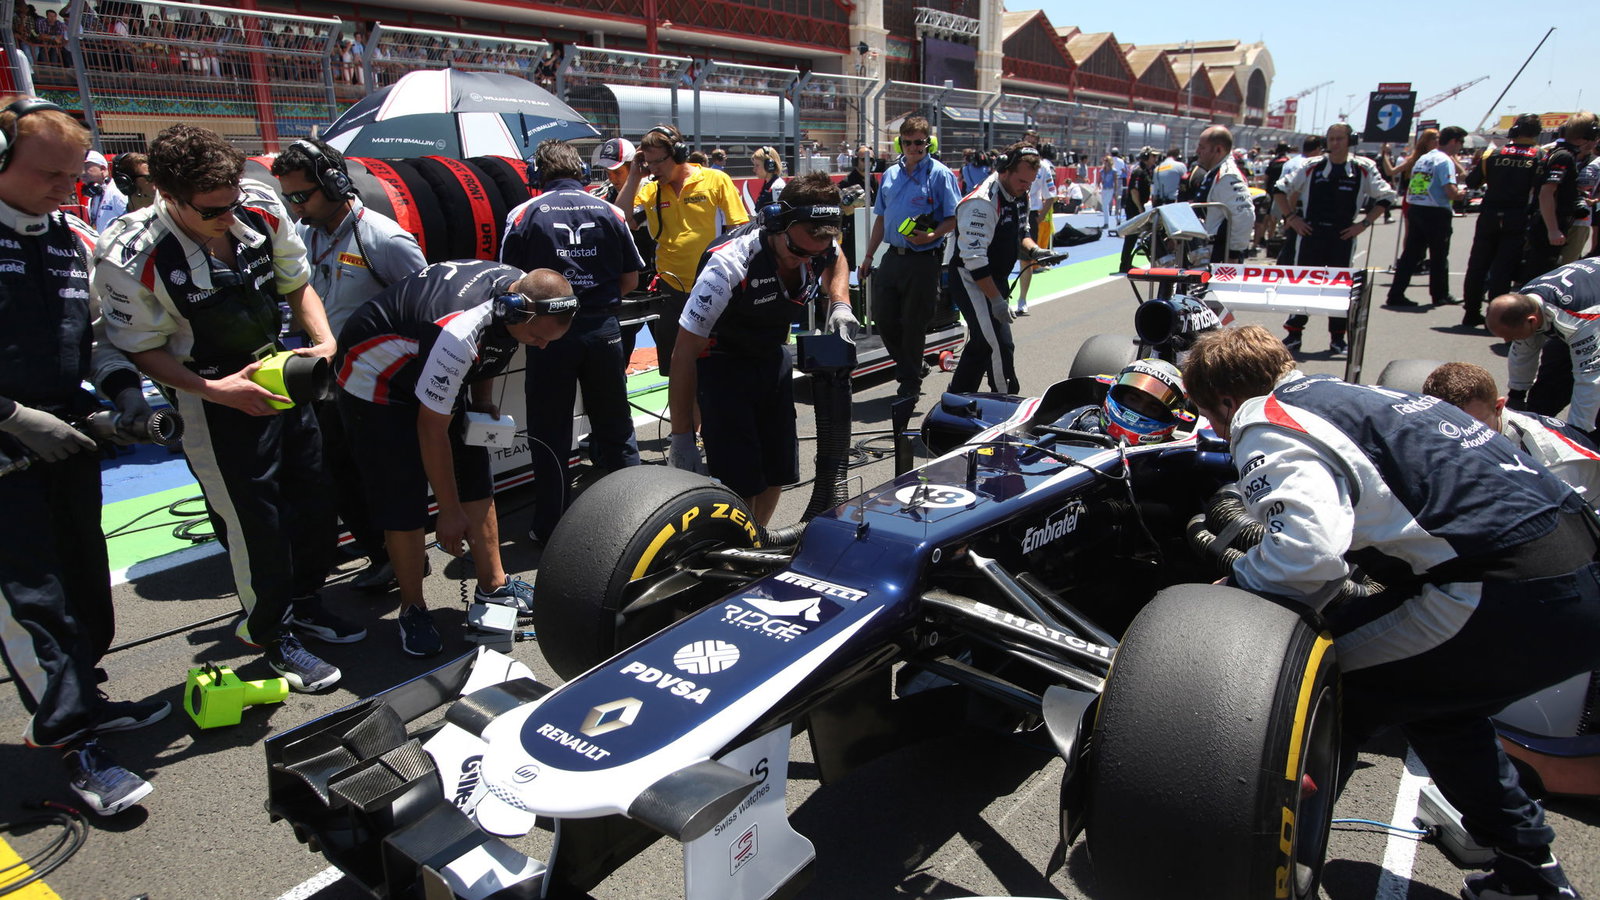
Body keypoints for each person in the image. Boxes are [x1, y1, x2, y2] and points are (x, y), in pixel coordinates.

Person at [1183, 324, 1600, 900]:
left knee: (1313, 686)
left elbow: (1307, 555)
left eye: (1214, 418)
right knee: (1441, 706)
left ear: (1226, 401)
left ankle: (1247, 869)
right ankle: (1531, 872)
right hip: (1579, 570)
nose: (1221, 430)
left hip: (1504, 587)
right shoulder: (1365, 396)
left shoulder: (1266, 415)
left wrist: (1236, 585)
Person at [94, 123, 359, 694]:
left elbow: (298, 284)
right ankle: (270, 634)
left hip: (280, 373)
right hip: (207, 396)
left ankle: (308, 602)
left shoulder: (259, 205)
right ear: (168, 195)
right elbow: (139, 349)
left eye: (233, 199)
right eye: (212, 210)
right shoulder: (129, 251)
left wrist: (323, 339)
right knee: (253, 522)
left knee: (314, 497)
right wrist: (215, 392)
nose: (228, 215)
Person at [0, 96, 167, 817]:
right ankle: (73, 749)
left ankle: (86, 701)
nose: (67, 189)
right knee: (34, 604)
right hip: (5, 456)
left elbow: (99, 334)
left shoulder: (71, 234)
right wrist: (10, 416)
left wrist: (124, 391)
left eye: (74, 174)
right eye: (48, 173)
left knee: (83, 586)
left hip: (66, 441)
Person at [336, 262, 572, 655]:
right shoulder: (459, 331)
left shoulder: (519, 299)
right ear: (516, 310)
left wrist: (481, 403)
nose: (541, 345)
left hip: (429, 357)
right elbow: (432, 430)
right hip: (376, 377)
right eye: (536, 337)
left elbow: (492, 349)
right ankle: (412, 607)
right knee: (404, 496)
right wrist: (447, 510)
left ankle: (494, 585)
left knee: (475, 466)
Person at [271, 137, 427, 592]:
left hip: (379, 385)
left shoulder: (383, 239)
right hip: (328, 380)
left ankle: (402, 562)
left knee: (379, 476)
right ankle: (378, 548)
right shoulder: (304, 236)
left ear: (335, 183)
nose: (295, 206)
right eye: (289, 198)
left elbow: (425, 312)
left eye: (302, 195)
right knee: (336, 472)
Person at [666, 173, 854, 526]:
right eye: (796, 250)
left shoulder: (816, 243)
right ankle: (737, 547)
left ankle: (758, 538)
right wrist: (682, 436)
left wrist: (840, 301)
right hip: (723, 365)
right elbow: (683, 352)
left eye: (814, 253)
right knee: (742, 479)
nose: (804, 259)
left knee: (777, 470)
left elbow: (836, 258)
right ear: (775, 224)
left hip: (772, 355)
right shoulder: (728, 265)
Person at [501, 139, 644, 544]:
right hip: (602, 331)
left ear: (538, 174)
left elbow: (509, 280)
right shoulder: (611, 210)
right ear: (580, 172)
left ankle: (550, 527)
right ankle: (635, 521)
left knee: (551, 432)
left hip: (546, 334)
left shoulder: (523, 213)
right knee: (616, 428)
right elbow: (631, 278)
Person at [617, 124, 747, 379]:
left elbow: (740, 230)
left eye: (658, 162)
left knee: (716, 369)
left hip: (713, 287)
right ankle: (684, 420)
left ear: (678, 154)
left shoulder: (715, 180)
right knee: (676, 371)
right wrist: (634, 176)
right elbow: (620, 220)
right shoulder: (651, 190)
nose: (652, 169)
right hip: (670, 290)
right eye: (648, 163)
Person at [857, 116, 959, 400]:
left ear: (929, 143)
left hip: (924, 258)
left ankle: (909, 382)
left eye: (920, 142)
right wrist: (867, 256)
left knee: (914, 323)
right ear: (899, 142)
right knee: (883, 317)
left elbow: (954, 217)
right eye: (908, 142)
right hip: (893, 256)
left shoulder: (940, 174)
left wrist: (931, 236)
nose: (914, 147)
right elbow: (881, 219)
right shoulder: (890, 174)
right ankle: (912, 366)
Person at [1275, 122, 1398, 354]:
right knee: (1303, 282)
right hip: (1310, 234)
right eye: (1331, 139)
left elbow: (1386, 196)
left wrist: (1363, 224)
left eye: (1339, 139)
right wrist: (1292, 218)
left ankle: (1337, 338)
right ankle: (1294, 333)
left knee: (1339, 287)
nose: (1334, 143)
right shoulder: (1311, 166)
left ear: (1350, 141)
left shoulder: (1363, 168)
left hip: (1342, 236)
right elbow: (1280, 189)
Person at [948, 142, 1054, 396]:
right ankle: (1005, 399)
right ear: (1004, 170)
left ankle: (957, 398)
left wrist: (1035, 251)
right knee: (995, 344)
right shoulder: (982, 203)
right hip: (970, 278)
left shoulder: (1020, 194)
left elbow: (1021, 233)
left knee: (989, 343)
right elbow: (973, 260)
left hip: (994, 277)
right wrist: (996, 300)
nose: (1026, 187)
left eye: (1030, 182)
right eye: (1021, 181)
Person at [1424, 361, 1600, 503]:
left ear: (1498, 407)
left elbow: (1562, 525)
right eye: (1448, 427)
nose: (1460, 436)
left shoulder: (1549, 458)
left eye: (1472, 425)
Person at [1487, 259, 1600, 435]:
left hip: (1589, 316)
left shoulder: (1579, 320)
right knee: (1545, 391)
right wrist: (1517, 393)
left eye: (1509, 335)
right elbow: (1524, 349)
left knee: (1593, 418)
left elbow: (1590, 379)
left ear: (1532, 321)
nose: (1505, 340)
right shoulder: (1526, 300)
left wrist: (1579, 432)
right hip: (1578, 306)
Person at [1461, 113, 1547, 329]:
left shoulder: (1492, 153)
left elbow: (1472, 182)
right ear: (1537, 133)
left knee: (1477, 264)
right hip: (1517, 216)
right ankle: (1497, 318)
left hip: (1489, 214)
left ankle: (1471, 313)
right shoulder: (1540, 155)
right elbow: (1540, 190)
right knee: (1503, 268)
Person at [1386, 125, 1467, 308]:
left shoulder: (1424, 158)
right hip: (1436, 210)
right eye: (1460, 143)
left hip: (1417, 207)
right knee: (1439, 256)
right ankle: (1440, 295)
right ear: (1453, 141)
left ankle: (1396, 293)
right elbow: (1450, 190)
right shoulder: (1445, 161)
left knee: (1410, 255)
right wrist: (1460, 194)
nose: (1460, 147)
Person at [1521, 112, 1599, 284]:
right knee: (1544, 278)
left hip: (1547, 223)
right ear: (1588, 135)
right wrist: (1553, 229)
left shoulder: (1556, 152)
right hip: (1548, 225)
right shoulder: (1564, 156)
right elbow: (1546, 192)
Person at [1058, 358, 1189, 445]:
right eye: (1133, 399)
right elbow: (1041, 438)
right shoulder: (1085, 417)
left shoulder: (1172, 456)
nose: (1139, 409)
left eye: (1152, 409)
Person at [1188, 125, 1255, 264]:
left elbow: (1244, 216)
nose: (1197, 151)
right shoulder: (1213, 172)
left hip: (1221, 257)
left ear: (1218, 149)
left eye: (1202, 147)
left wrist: (1233, 254)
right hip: (1206, 252)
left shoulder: (1228, 176)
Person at [1016, 141, 1059, 313]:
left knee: (1026, 259)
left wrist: (1039, 218)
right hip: (1010, 210)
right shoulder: (1013, 164)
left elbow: (1051, 195)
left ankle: (1022, 299)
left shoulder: (1044, 168)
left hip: (1030, 213)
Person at [1115, 147, 1157, 274]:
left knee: (1133, 236)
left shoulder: (1145, 170)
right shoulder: (1139, 171)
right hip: (1134, 206)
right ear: (1146, 157)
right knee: (1131, 235)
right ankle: (1124, 264)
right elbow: (1134, 191)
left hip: (1137, 205)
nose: (1155, 159)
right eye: (1153, 156)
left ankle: (1126, 262)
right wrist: (1139, 208)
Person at [81, 149, 127, 232]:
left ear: (102, 168)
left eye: (85, 167)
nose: (81, 173)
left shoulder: (116, 192)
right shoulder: (92, 198)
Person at [110, 151, 154, 216]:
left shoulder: (170, 216)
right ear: (127, 183)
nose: (157, 181)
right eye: (149, 178)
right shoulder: (120, 225)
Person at [746, 145, 786, 214]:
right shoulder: (768, 184)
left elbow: (780, 216)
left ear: (769, 166)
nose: (754, 169)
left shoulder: (777, 186)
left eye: (757, 165)